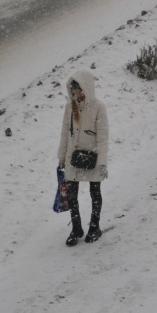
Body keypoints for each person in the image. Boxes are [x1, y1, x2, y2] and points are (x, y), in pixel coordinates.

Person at [57, 70, 109, 246]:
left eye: (78, 90)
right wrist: (61, 157)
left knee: (95, 192)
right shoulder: (69, 107)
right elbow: (65, 133)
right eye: (73, 90)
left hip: (92, 157)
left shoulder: (99, 108)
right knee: (71, 195)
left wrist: (102, 163)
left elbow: (103, 139)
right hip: (73, 157)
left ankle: (95, 228)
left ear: (86, 88)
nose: (76, 94)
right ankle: (76, 228)